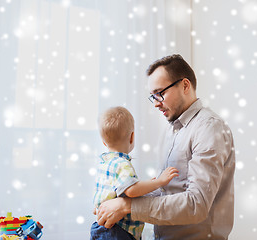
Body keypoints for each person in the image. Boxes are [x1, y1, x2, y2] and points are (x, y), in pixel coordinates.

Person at [96, 54, 236, 240]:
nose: (155, 103)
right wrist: (116, 201)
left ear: (185, 85)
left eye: (160, 93)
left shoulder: (209, 128)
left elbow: (196, 205)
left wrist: (128, 206)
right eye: (152, 96)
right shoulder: (172, 131)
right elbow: (167, 191)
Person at [90, 106, 179, 240]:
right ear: (132, 137)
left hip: (101, 227)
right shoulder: (122, 163)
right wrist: (159, 182)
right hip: (118, 230)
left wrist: (148, 184)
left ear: (104, 142)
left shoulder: (105, 163)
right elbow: (131, 190)